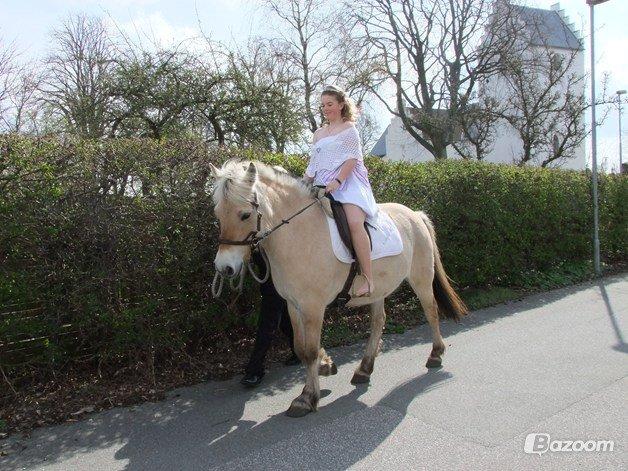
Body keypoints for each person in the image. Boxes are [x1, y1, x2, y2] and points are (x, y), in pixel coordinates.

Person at [303, 85, 378, 297]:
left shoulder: (349, 129)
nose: (326, 108)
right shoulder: (318, 133)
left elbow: (353, 159)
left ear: (341, 105)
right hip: (322, 184)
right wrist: (303, 182)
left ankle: (368, 278)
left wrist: (338, 180)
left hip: (349, 183)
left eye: (330, 104)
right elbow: (313, 163)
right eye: (323, 105)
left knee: (354, 223)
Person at [241, 250, 300, 388]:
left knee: (267, 325)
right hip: (270, 284)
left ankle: (254, 370)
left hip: (279, 284)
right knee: (285, 321)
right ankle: (300, 351)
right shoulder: (255, 235)